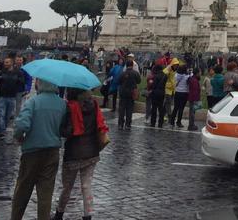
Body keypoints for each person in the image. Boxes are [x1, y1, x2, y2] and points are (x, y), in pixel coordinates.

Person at [10, 78, 67, 220]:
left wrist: (18, 137)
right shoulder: (62, 104)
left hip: (32, 151)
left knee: (23, 189)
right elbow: (64, 128)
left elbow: (22, 125)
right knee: (46, 193)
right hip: (52, 151)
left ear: (39, 84)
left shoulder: (33, 102)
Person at [53, 88, 108, 220]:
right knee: (86, 185)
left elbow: (67, 131)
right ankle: (88, 215)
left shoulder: (70, 107)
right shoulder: (94, 105)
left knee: (67, 186)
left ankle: (59, 213)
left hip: (73, 152)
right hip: (92, 151)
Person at [0, 57, 26, 141]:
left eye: (7, 62)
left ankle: (4, 128)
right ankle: (2, 131)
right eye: (5, 62)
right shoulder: (1, 72)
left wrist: (17, 81)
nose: (5, 64)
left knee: (7, 115)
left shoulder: (18, 72)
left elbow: (22, 81)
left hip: (12, 96)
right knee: (2, 114)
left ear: (11, 63)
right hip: (2, 96)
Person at [116, 61, 141, 130]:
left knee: (122, 109)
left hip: (123, 92)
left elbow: (118, 81)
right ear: (132, 65)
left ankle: (120, 124)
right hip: (131, 93)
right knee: (129, 109)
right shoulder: (135, 73)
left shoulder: (123, 73)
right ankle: (128, 124)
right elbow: (139, 81)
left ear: (126, 65)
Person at [147, 64, 167, 128]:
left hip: (155, 93)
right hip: (162, 93)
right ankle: (160, 123)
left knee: (154, 109)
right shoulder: (165, 75)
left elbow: (153, 85)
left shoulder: (155, 76)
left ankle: (153, 123)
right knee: (161, 109)